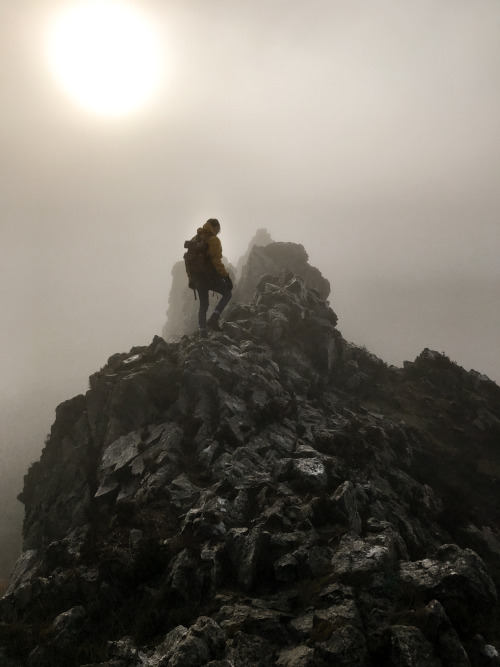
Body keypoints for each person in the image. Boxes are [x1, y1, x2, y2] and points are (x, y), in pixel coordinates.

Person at [191, 218, 233, 338]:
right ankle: (214, 318)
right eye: (218, 230)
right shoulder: (214, 240)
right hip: (210, 277)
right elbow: (216, 260)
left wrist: (191, 279)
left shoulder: (195, 239)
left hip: (197, 278)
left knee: (203, 304)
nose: (218, 232)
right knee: (227, 294)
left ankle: (202, 333)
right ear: (215, 227)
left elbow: (188, 261)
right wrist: (226, 277)